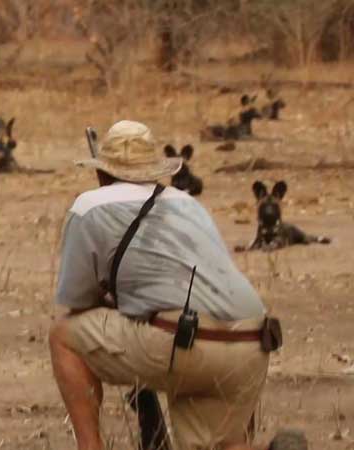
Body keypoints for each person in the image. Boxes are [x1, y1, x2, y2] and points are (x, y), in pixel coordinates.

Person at [48, 121, 306, 450]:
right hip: (252, 339)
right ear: (155, 170)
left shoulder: (90, 205)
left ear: (101, 173)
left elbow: (78, 304)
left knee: (63, 337)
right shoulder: (187, 203)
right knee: (222, 444)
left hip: (183, 341)